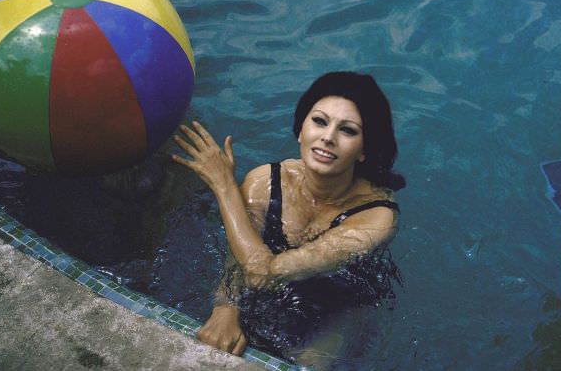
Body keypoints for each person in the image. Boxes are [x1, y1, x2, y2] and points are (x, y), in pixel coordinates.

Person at [172, 71, 405, 369]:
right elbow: (237, 255)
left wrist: (223, 186)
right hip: (279, 285)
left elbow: (264, 273)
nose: (328, 138)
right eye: (319, 121)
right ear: (300, 130)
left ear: (364, 151)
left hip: (343, 305)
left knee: (309, 364)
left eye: (347, 130)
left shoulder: (376, 217)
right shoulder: (264, 183)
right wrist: (226, 308)